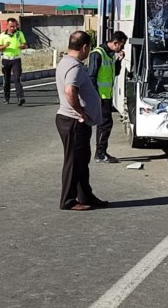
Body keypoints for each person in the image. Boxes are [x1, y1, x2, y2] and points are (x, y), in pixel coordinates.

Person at [55, 31, 107, 211]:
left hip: (73, 121)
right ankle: (68, 200)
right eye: (88, 48)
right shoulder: (74, 67)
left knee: (81, 160)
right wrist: (80, 112)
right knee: (74, 161)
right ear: (84, 47)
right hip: (73, 121)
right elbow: (70, 90)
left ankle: (86, 196)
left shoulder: (66, 62)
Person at [87, 30, 128, 163]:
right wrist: (96, 96)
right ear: (115, 43)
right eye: (121, 46)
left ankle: (101, 152)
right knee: (105, 124)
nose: (122, 48)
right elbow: (91, 76)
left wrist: (119, 61)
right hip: (101, 96)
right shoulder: (97, 54)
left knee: (105, 124)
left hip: (107, 95)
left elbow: (115, 73)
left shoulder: (109, 55)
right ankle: (100, 153)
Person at [0, 18, 27, 105]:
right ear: (7, 26)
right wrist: (5, 46)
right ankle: (6, 97)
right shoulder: (2, 35)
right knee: (6, 79)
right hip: (6, 59)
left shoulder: (19, 34)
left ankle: (20, 97)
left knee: (17, 78)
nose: (13, 28)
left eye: (14, 26)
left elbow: (25, 44)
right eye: (11, 26)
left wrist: (22, 46)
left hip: (16, 59)